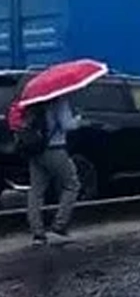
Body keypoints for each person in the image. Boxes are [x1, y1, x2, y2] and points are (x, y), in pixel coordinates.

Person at [26, 96, 81, 245]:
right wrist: (78, 119)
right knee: (72, 185)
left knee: (36, 191)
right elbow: (67, 125)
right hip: (56, 149)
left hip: (35, 150)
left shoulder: (33, 102)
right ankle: (59, 225)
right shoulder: (60, 101)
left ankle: (37, 233)